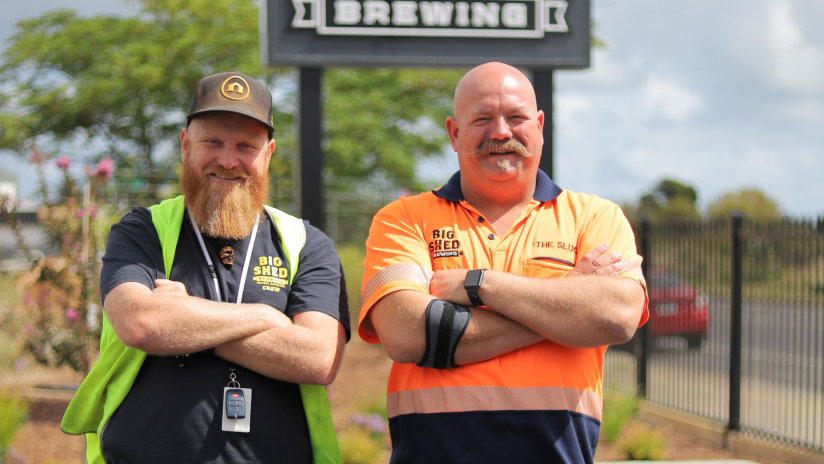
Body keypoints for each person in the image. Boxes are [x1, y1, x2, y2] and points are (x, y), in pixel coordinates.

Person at [358, 62, 648, 464]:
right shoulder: (404, 218)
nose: (500, 132)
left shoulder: (595, 217)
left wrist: (481, 284)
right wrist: (567, 300)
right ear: (454, 133)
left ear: (540, 126)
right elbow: (407, 333)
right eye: (481, 119)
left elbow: (617, 316)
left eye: (516, 117)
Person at [62, 72, 349, 464]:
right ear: (185, 146)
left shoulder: (306, 243)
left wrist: (186, 322)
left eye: (246, 146)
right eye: (212, 142)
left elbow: (317, 357)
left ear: (268, 154)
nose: (228, 160)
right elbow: (141, 323)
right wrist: (267, 318)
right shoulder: (142, 229)